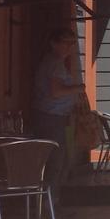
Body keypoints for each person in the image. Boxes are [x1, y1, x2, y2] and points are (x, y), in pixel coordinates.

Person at [33, 27, 85, 179]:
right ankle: (50, 199)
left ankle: (49, 198)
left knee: (57, 160)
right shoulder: (55, 62)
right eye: (65, 42)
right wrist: (78, 88)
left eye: (72, 43)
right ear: (53, 43)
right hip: (51, 118)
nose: (69, 47)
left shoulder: (54, 62)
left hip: (52, 116)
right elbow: (56, 92)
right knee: (55, 160)